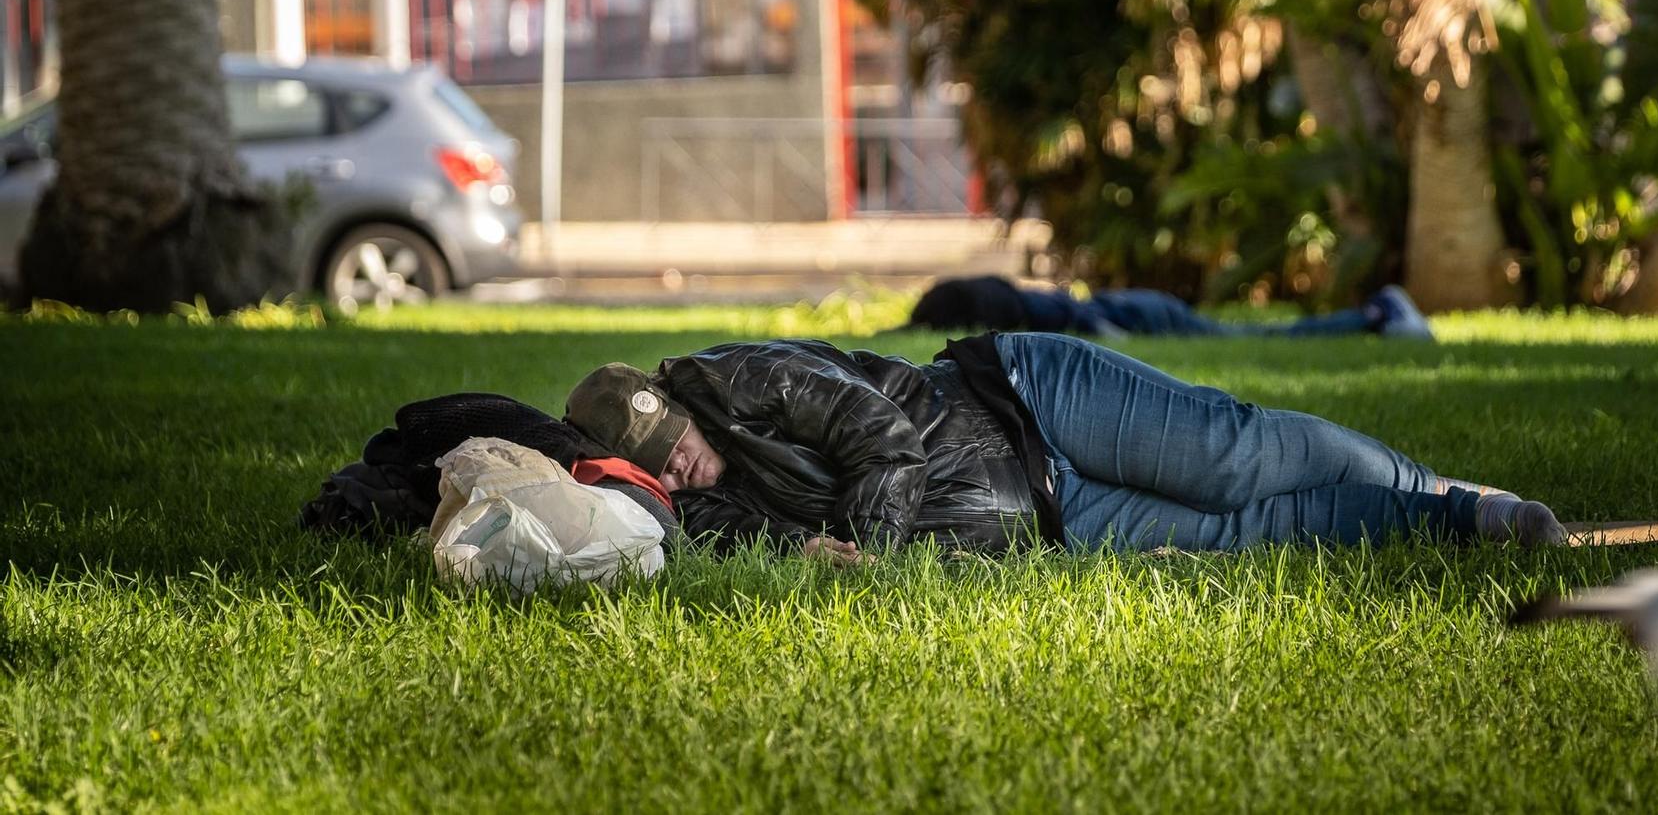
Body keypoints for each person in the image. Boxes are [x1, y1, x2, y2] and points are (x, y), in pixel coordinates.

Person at [563, 332, 1563, 564]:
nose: (680, 462)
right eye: (660, 466)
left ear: (675, 400)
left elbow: (881, 440)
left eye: (676, 441)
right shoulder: (694, 513)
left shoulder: (739, 378)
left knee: (1236, 456)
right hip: (1048, 517)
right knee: (1253, 529)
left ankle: (1414, 477)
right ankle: (1462, 517)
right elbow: (762, 545)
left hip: (1029, 401)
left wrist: (864, 553)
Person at [903, 275, 1434, 340]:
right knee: (1253, 336)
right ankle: (1373, 317)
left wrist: (1116, 339)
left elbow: (1080, 318)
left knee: (1253, 339)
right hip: (1141, 302)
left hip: (1144, 314)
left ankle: (1375, 315)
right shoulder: (1005, 298)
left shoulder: (1018, 313)